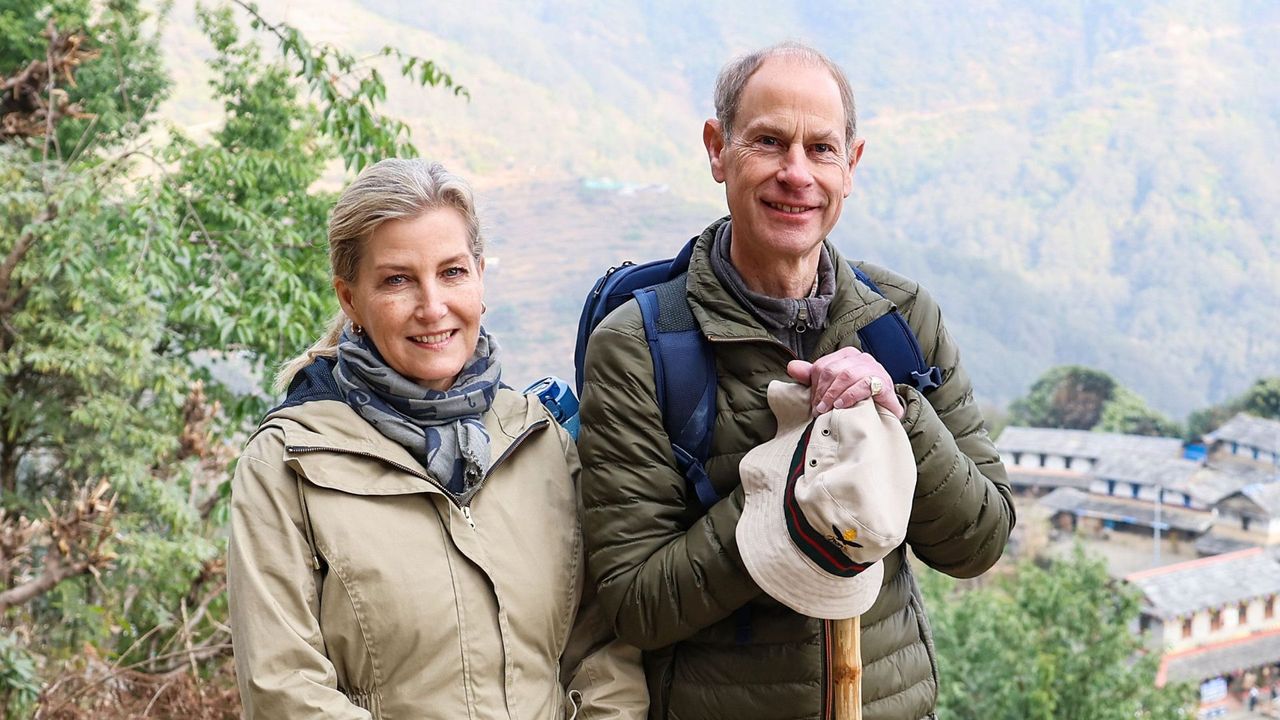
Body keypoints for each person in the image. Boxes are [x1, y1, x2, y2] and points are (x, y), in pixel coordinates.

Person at [578, 42, 1014, 720]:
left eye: (821, 149)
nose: (796, 174)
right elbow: (636, 602)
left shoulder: (900, 322)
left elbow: (980, 540)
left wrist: (895, 409)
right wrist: (792, 483)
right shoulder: (641, 348)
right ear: (717, 149)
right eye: (769, 142)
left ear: (853, 165)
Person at [227, 159, 646, 719]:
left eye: (452, 272)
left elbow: (602, 653)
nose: (432, 307)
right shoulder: (289, 465)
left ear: (479, 276)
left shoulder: (539, 441)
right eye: (398, 280)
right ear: (351, 300)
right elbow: (285, 690)